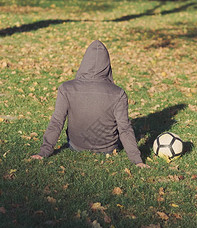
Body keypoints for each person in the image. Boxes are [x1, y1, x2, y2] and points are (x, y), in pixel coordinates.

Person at [32, 40, 149, 168]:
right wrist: (137, 160)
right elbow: (124, 129)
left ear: (84, 62)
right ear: (107, 65)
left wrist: (44, 152)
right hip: (108, 148)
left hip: (76, 145)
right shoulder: (118, 93)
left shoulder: (66, 88)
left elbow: (57, 121)